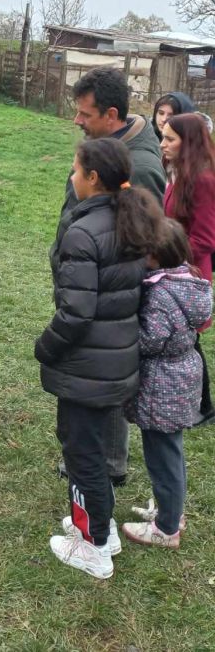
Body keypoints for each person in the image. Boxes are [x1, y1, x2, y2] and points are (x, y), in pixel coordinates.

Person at [37, 137, 164, 579]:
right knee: (89, 448)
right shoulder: (131, 221)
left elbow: (76, 313)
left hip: (86, 367)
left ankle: (92, 548)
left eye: (75, 170)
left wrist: (45, 346)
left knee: (82, 454)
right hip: (117, 362)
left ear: (92, 178)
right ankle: (102, 529)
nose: (72, 177)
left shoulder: (83, 232)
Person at [53, 66, 166, 486]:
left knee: (105, 382)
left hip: (107, 295)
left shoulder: (141, 166)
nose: (78, 121)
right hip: (88, 283)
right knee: (91, 376)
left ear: (112, 114)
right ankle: (91, 455)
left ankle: (108, 465)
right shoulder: (106, 148)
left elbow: (145, 240)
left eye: (85, 114)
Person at [122, 219, 212, 548]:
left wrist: (126, 327)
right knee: (169, 452)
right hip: (182, 375)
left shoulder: (160, 294)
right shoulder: (188, 280)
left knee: (163, 457)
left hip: (163, 384)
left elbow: (151, 339)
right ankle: (170, 512)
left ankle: (166, 529)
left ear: (156, 257)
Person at [161, 112, 215, 423]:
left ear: (189, 143)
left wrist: (168, 255)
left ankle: (204, 407)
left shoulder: (204, 180)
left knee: (189, 342)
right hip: (173, 269)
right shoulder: (178, 172)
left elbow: (205, 240)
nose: (163, 143)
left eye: (170, 138)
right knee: (183, 340)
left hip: (190, 274)